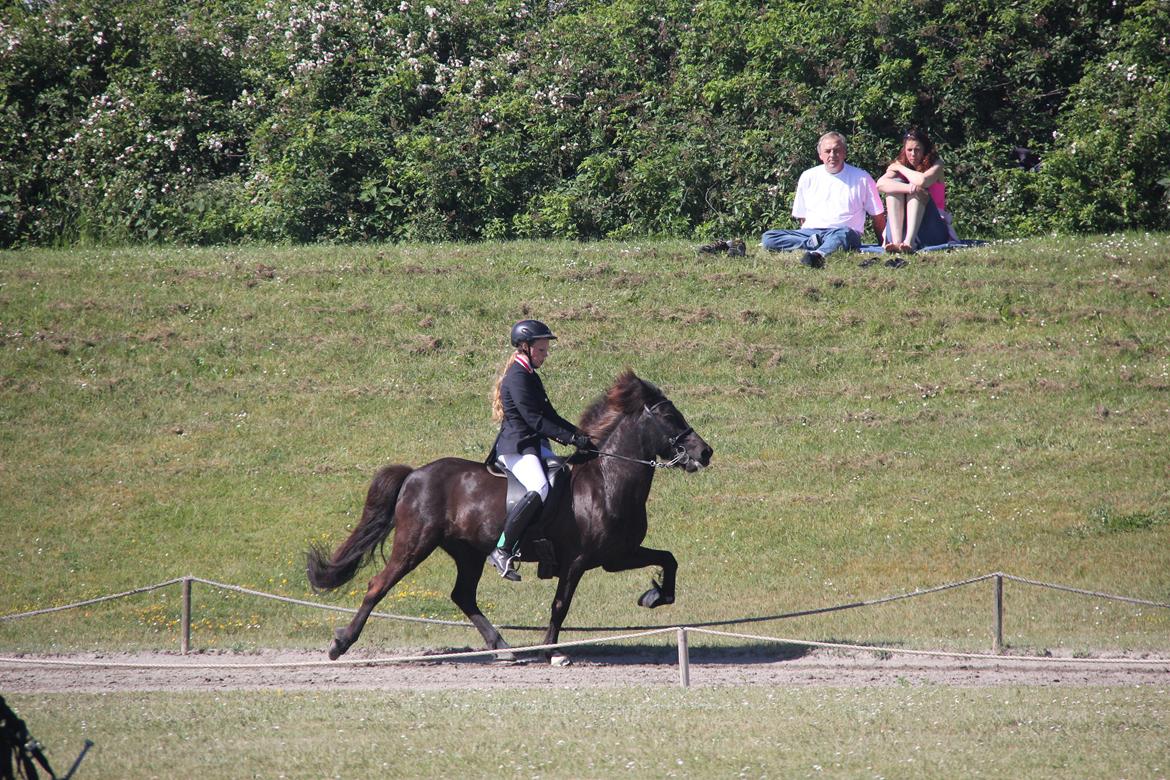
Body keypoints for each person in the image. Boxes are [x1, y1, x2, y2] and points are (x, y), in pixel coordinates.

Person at [485, 319, 592, 581]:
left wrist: (579, 435)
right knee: (540, 488)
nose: (545, 356)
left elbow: (550, 414)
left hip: (533, 445)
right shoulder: (518, 378)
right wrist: (568, 438)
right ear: (525, 347)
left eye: (546, 350)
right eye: (541, 351)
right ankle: (503, 549)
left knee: (563, 475)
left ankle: (547, 545)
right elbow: (535, 420)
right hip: (517, 447)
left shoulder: (530, 375)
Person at [761, 132, 886, 268]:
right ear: (820, 155)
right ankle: (816, 244)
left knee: (844, 234)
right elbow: (802, 217)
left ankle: (818, 255)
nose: (832, 155)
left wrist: (883, 243)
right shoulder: (808, 176)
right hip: (810, 233)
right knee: (769, 237)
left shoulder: (862, 178)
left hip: (842, 232)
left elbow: (877, 216)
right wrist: (813, 237)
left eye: (837, 151)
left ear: (844, 153)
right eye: (827, 151)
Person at [875, 128, 952, 252]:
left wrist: (901, 169)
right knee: (896, 186)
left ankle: (909, 242)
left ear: (924, 150)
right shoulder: (900, 163)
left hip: (931, 229)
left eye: (917, 150)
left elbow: (923, 181)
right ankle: (897, 243)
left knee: (918, 188)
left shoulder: (937, 164)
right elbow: (880, 184)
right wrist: (909, 188)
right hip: (900, 229)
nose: (912, 154)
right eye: (909, 150)